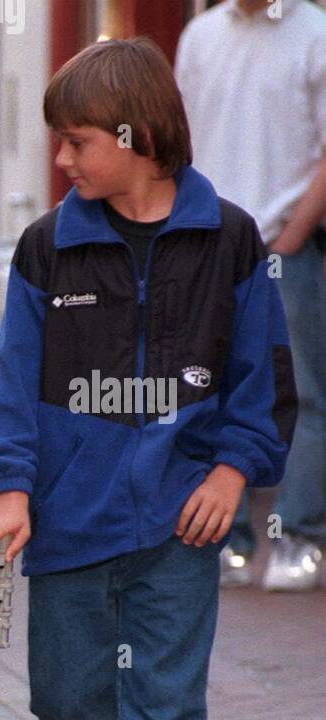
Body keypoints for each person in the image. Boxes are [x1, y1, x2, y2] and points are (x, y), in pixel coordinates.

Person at [0, 39, 296, 720]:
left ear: (135, 134)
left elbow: (262, 381)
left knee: (163, 713)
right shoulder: (49, 245)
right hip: (70, 526)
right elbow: (14, 386)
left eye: (75, 142)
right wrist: (12, 489)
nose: (63, 161)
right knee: (70, 708)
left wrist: (234, 473)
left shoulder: (232, 241)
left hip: (179, 527)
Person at [175, 0, 326, 591]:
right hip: (209, 246)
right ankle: (225, 539)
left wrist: (290, 237)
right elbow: (181, 141)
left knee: (305, 393)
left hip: (285, 243)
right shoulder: (199, 36)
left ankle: (300, 539)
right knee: (205, 389)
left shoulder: (316, 32)